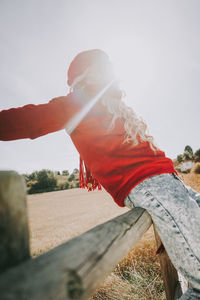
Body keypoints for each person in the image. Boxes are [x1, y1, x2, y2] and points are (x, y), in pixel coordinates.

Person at [0, 49, 200, 299]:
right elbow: (27, 120)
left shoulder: (114, 102)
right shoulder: (76, 103)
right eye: (104, 65)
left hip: (171, 183)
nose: (110, 70)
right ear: (86, 73)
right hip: (152, 187)